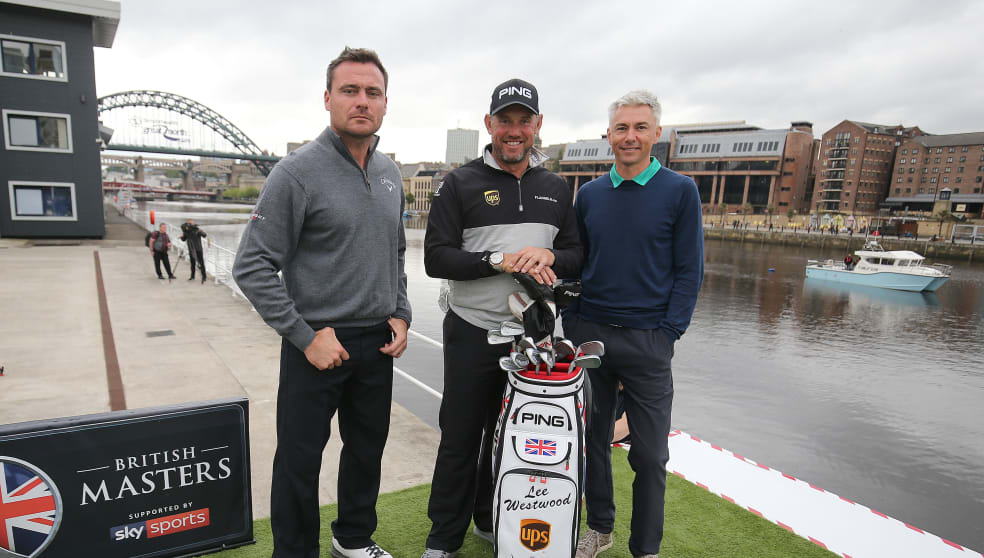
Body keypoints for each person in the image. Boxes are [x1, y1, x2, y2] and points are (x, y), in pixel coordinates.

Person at [232, 47, 410, 558]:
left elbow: (395, 252)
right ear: (328, 98)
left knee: (367, 451)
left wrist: (400, 312)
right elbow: (251, 266)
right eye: (350, 91)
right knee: (300, 460)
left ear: (384, 104)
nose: (362, 101)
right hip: (317, 342)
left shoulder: (390, 174)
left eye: (372, 92)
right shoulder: (296, 173)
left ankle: (353, 540)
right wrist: (306, 337)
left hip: (376, 342)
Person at [421, 78, 583, 558]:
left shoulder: (557, 187)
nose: (514, 131)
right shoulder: (459, 183)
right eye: (505, 121)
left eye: (523, 121)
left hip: (532, 336)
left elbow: (577, 255)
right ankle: (442, 540)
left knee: (513, 435)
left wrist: (548, 255)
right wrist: (497, 261)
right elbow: (436, 259)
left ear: (537, 126)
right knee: (461, 436)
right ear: (489, 124)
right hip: (472, 330)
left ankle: (491, 520)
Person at [565, 90, 704, 558]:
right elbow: (576, 264)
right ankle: (599, 528)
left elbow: (689, 271)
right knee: (593, 442)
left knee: (650, 456)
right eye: (622, 128)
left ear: (656, 135)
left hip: (649, 342)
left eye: (640, 128)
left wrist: (668, 334)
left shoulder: (680, 191)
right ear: (609, 135)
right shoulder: (589, 195)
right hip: (592, 336)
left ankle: (645, 548)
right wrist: (573, 324)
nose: (630, 136)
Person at [180, 218, 208, 283]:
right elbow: (183, 239)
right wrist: (182, 237)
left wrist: (199, 231)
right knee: (192, 263)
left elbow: (204, 235)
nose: (190, 225)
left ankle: (204, 277)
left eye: (191, 223)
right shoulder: (186, 231)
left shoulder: (196, 229)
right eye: (189, 223)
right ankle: (192, 276)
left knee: (201, 263)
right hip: (191, 249)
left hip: (198, 249)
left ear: (193, 223)